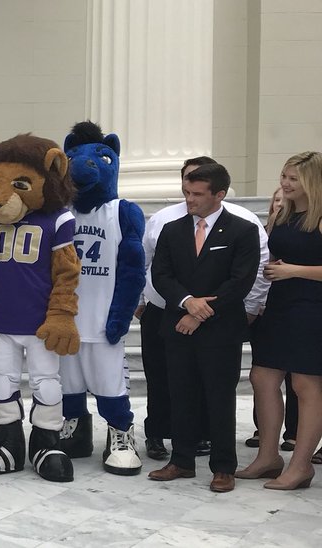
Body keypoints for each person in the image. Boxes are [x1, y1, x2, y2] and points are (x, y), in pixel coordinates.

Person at [137, 156, 270, 460]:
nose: (189, 200)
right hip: (176, 322)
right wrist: (187, 302)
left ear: (219, 194)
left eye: (197, 194)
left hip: (220, 328)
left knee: (219, 398)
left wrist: (199, 313)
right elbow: (161, 273)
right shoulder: (171, 227)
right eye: (187, 192)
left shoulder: (243, 228)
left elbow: (241, 280)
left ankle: (223, 466)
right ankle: (181, 461)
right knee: (180, 393)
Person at [238, 152, 322, 490]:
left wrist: (293, 271)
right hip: (280, 303)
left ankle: (301, 466)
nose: (285, 183)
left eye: (293, 178)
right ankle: (268, 456)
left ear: (311, 181)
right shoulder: (282, 214)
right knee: (261, 376)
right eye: (284, 176)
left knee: (305, 384)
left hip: (313, 307)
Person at [245, 188, 299, 452]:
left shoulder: (306, 229)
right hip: (267, 310)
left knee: (301, 380)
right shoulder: (265, 232)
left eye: (285, 200)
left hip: (301, 308)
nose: (281, 204)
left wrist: (292, 270)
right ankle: (264, 435)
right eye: (277, 200)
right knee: (262, 375)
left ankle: (295, 434)